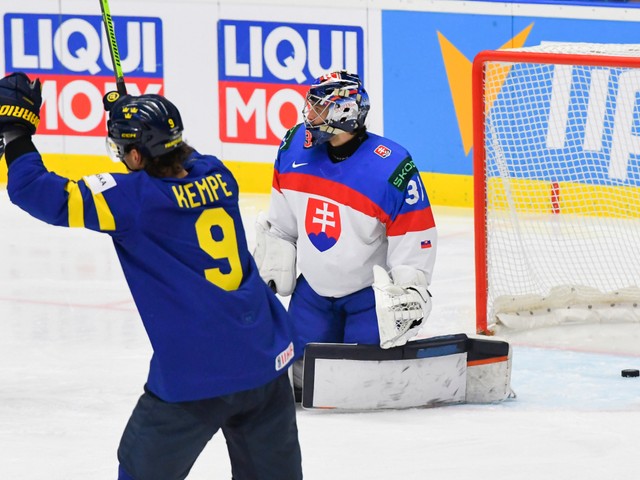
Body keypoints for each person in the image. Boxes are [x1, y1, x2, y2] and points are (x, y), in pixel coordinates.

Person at [0, 72, 303, 480]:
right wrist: (136, 124)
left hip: (198, 373)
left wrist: (15, 131)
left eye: (124, 149)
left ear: (138, 157)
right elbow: (178, 159)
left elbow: (33, 189)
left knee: (140, 471)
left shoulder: (130, 202)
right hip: (267, 359)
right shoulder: (219, 174)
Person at [255, 70, 437, 374]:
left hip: (367, 299)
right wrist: (275, 260)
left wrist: (409, 288)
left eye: (319, 107)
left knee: (365, 376)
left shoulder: (391, 166)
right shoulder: (293, 146)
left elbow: (413, 233)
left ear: (345, 112)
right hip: (311, 294)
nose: (308, 114)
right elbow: (282, 222)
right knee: (295, 376)